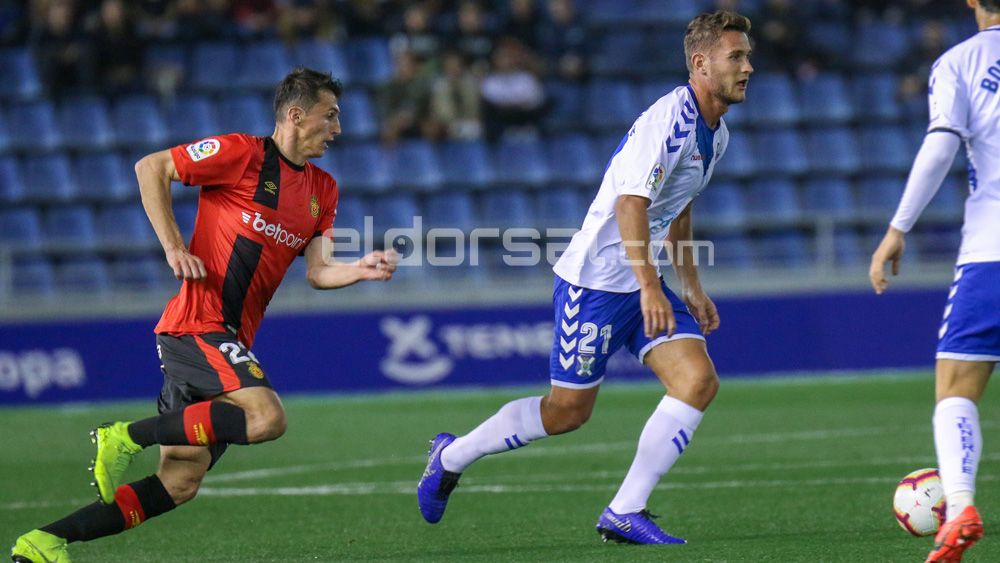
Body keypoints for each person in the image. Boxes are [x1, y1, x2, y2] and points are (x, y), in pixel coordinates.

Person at [10, 67, 398, 562]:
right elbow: (151, 167)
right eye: (331, 116)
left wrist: (359, 269)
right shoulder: (243, 154)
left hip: (229, 336)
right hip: (197, 325)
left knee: (178, 482)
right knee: (266, 418)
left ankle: (44, 542)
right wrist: (173, 246)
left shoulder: (324, 190)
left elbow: (318, 273)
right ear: (297, 116)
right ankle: (123, 436)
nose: (338, 129)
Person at [417, 10, 752, 544]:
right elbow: (630, 205)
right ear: (700, 63)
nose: (747, 67)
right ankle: (451, 455)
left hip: (641, 281)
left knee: (697, 380)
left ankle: (626, 509)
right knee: (568, 412)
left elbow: (678, 209)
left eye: (746, 56)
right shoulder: (667, 121)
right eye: (736, 56)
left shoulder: (717, 133)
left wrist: (689, 284)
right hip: (595, 284)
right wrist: (649, 285)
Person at [869, 1, 999, 561]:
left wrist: (897, 228)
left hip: (993, 250)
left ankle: (961, 507)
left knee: (955, 388)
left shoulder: (960, 63)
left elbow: (942, 143)